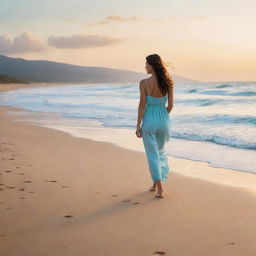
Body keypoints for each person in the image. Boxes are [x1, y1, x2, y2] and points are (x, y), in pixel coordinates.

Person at [135, 54, 174, 199]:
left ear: (152, 65)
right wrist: (163, 116)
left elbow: (142, 106)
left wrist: (138, 125)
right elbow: (170, 106)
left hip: (149, 122)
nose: (145, 67)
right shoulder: (168, 82)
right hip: (163, 121)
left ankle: (160, 189)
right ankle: (154, 183)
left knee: (152, 155)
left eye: (146, 64)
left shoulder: (144, 83)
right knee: (160, 152)